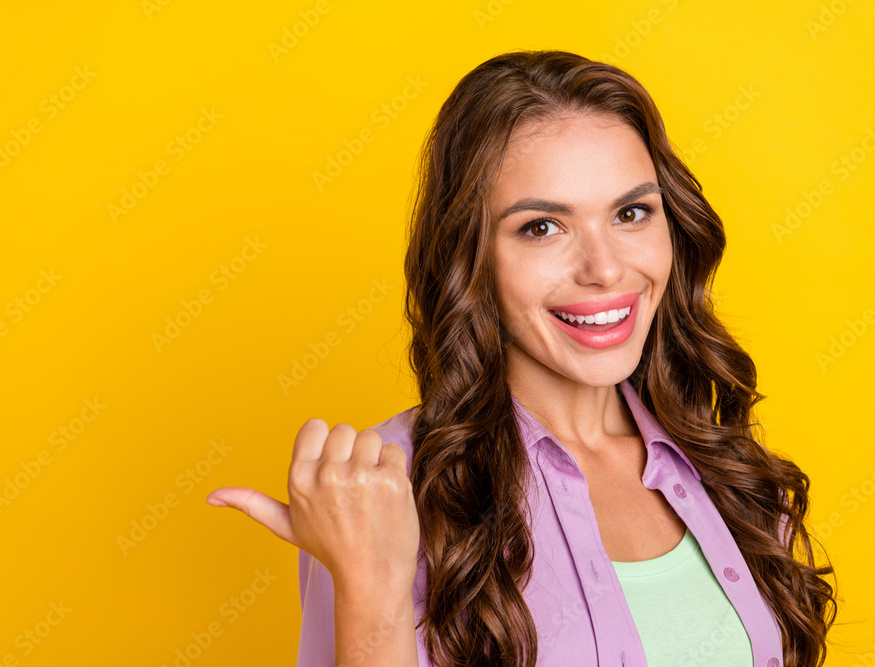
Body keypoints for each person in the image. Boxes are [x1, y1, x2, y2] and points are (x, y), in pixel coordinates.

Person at [205, 49, 837, 667]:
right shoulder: (384, 492)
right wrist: (371, 586)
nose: (607, 268)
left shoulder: (722, 468)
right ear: (469, 256)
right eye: (542, 226)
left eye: (631, 212)